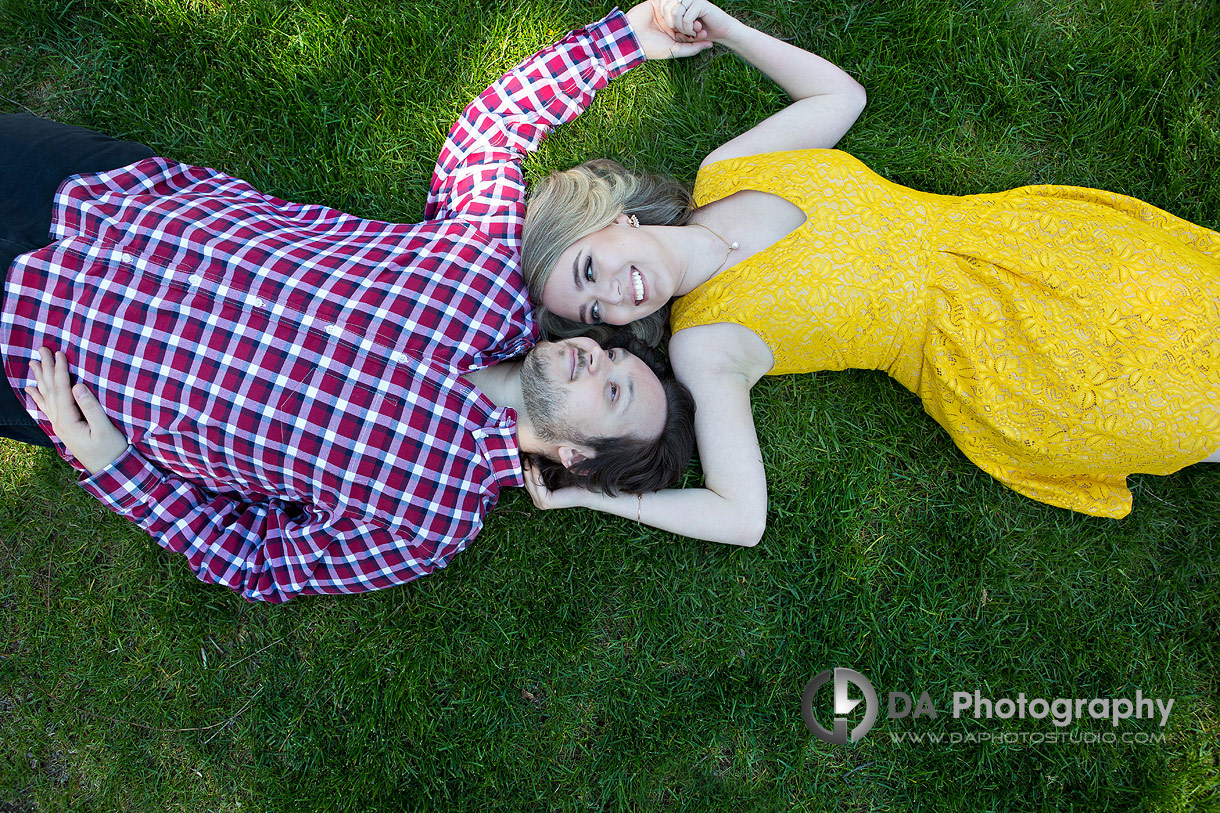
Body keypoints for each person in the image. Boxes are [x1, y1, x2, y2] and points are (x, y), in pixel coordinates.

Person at [0, 4, 702, 602]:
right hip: (101, 198)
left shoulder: (429, 518)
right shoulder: (491, 271)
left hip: (46, 358)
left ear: (577, 455)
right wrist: (627, 40)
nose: (596, 353)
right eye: (615, 351)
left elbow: (255, 562)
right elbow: (494, 132)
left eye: (611, 390)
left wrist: (115, 468)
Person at [519, 0, 1220, 542]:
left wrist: (729, 30)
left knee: (1193, 290)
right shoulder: (704, 343)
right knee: (1187, 407)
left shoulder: (725, 170)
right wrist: (590, 493)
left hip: (1013, 241)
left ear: (614, 219)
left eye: (588, 268)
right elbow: (743, 515)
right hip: (1003, 356)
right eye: (591, 313)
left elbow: (839, 100)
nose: (610, 298)